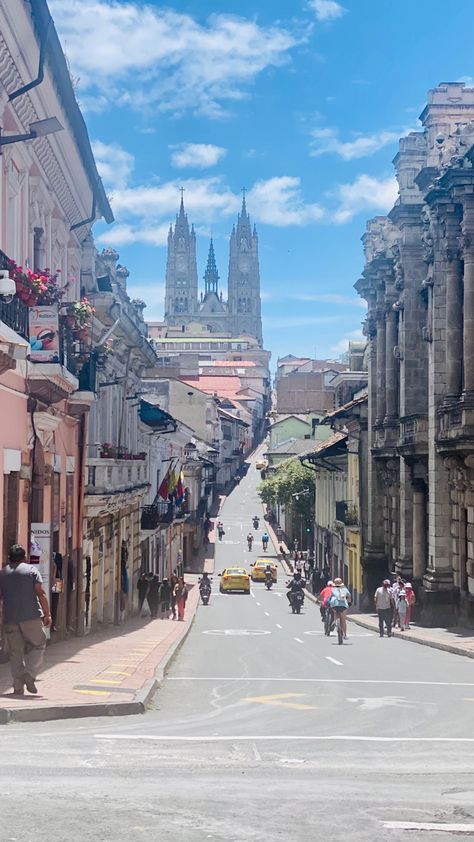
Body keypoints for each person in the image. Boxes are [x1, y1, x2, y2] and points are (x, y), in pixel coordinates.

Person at [0, 544, 51, 695]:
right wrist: (47, 614)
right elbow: (40, 593)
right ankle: (29, 675)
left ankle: (17, 686)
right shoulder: (31, 571)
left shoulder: (2, 574)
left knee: (16, 652)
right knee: (39, 644)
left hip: (10, 618)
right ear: (24, 557)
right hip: (31, 617)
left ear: (9, 557)